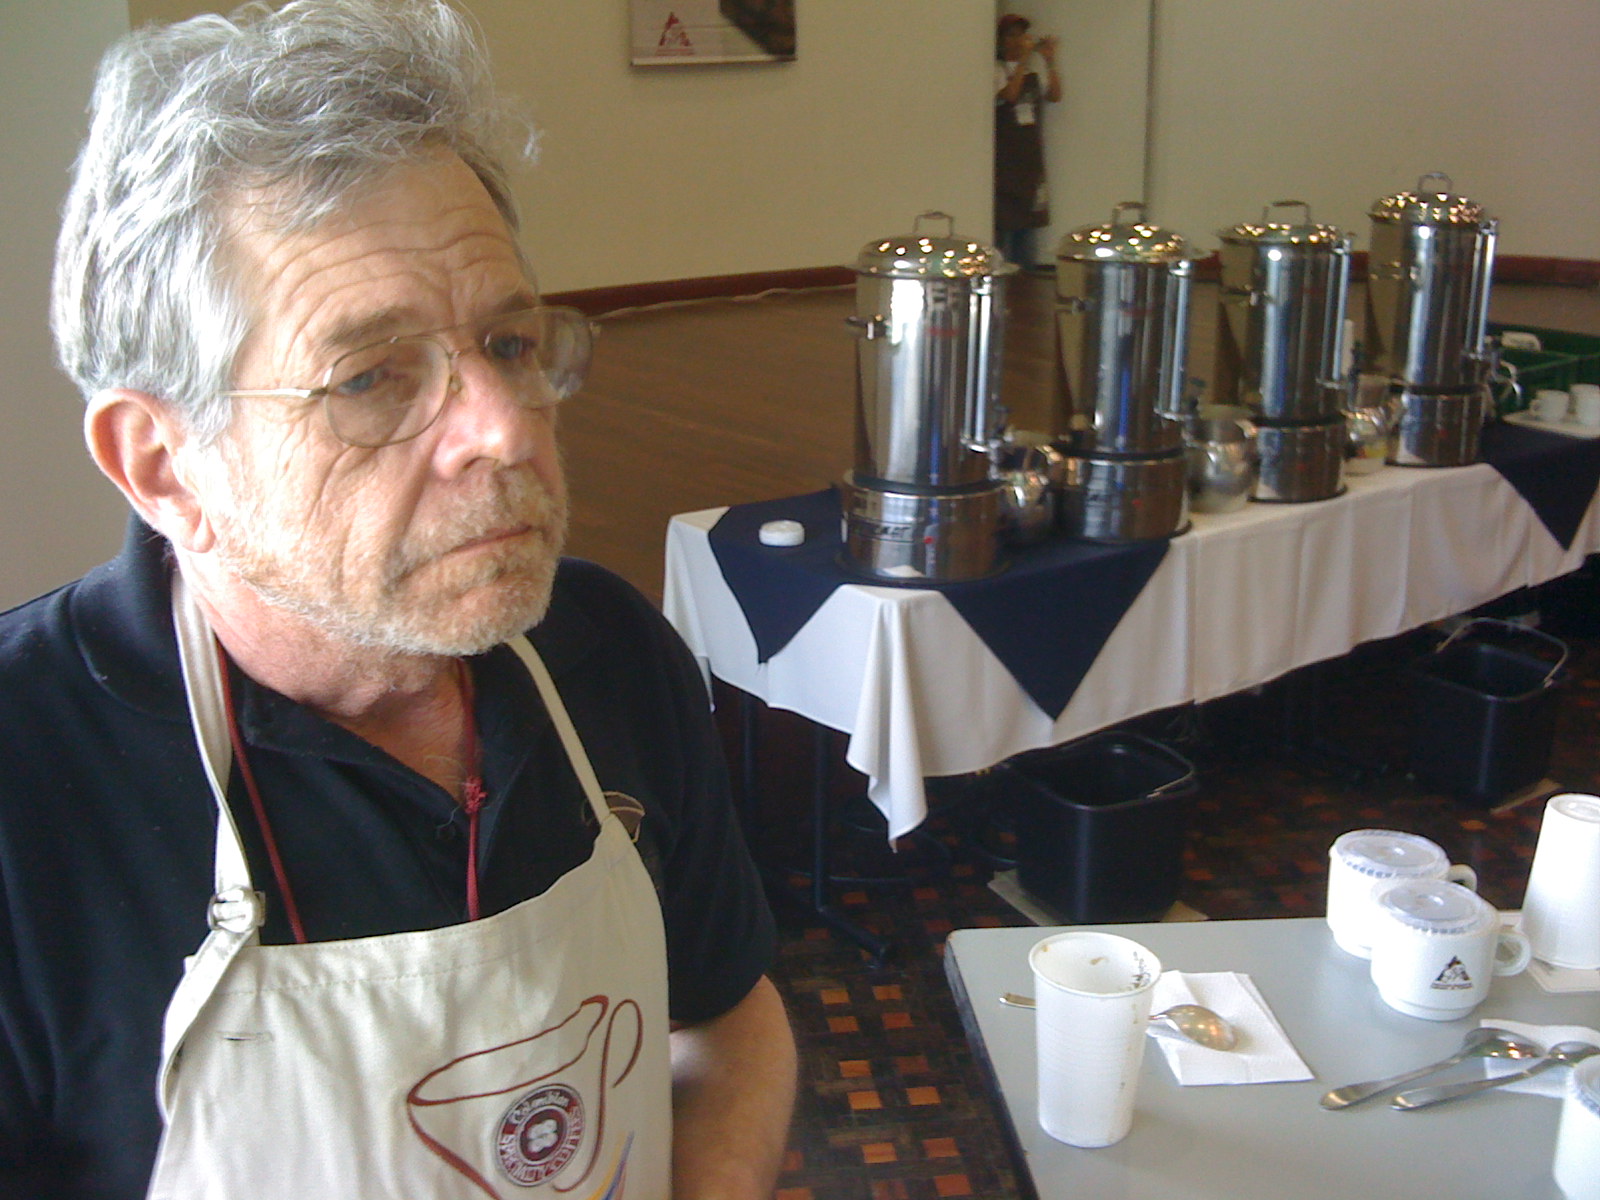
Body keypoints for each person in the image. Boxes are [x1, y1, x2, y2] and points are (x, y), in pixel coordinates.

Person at [0, 2, 796, 1197]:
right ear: (164, 467)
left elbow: (728, 1018)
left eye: (510, 344)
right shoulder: (28, 788)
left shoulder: (610, 654)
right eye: (371, 376)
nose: (504, 429)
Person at [994, 13, 1062, 270]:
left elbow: (1055, 95)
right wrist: (1023, 60)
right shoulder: (996, 70)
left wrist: (1049, 60)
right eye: (1011, 35)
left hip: (1030, 158)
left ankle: (1028, 275)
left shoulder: (1034, 73)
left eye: (1021, 34)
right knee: (1004, 224)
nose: (1018, 40)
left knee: (1029, 222)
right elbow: (1010, 96)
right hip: (1005, 159)